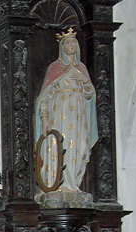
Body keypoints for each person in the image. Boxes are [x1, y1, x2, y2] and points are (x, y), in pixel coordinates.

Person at [34, 28, 97, 193]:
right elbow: (45, 97)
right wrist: (45, 119)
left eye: (73, 42)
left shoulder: (81, 68)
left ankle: (73, 184)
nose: (71, 45)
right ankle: (58, 185)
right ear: (62, 47)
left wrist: (85, 82)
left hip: (78, 115)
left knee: (80, 145)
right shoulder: (55, 67)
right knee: (59, 145)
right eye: (67, 42)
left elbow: (90, 95)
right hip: (60, 112)